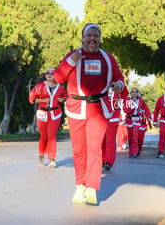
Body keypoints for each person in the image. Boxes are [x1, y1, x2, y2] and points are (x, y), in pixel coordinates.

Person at [54, 23, 126, 205]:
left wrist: (119, 86)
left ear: (100, 39)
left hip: (98, 109)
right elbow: (58, 78)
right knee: (79, 150)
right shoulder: (73, 56)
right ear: (83, 38)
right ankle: (80, 185)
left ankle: (92, 187)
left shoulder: (108, 59)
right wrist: (72, 61)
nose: (92, 39)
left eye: (95, 36)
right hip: (76, 108)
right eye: (89, 36)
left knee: (95, 148)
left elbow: (119, 78)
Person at [29, 68, 67, 168]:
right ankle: (41, 155)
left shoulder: (60, 87)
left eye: (52, 73)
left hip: (55, 113)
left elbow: (65, 97)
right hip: (42, 114)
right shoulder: (39, 86)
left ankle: (52, 158)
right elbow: (31, 98)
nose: (50, 75)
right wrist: (41, 99)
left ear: (55, 76)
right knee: (43, 136)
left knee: (52, 136)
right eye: (48, 73)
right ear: (45, 76)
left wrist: (62, 99)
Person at [102, 87, 127, 171]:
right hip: (101, 115)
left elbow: (125, 93)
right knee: (101, 139)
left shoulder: (118, 81)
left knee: (110, 139)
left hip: (114, 115)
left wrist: (121, 101)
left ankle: (109, 161)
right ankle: (102, 158)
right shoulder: (102, 80)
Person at [123, 88, 152, 158]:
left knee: (135, 136)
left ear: (137, 93)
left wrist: (148, 116)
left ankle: (135, 152)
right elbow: (125, 109)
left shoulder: (141, 101)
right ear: (131, 93)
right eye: (132, 92)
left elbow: (146, 109)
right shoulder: (127, 100)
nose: (134, 93)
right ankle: (131, 151)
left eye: (135, 92)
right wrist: (130, 109)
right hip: (130, 120)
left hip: (137, 120)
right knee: (130, 137)